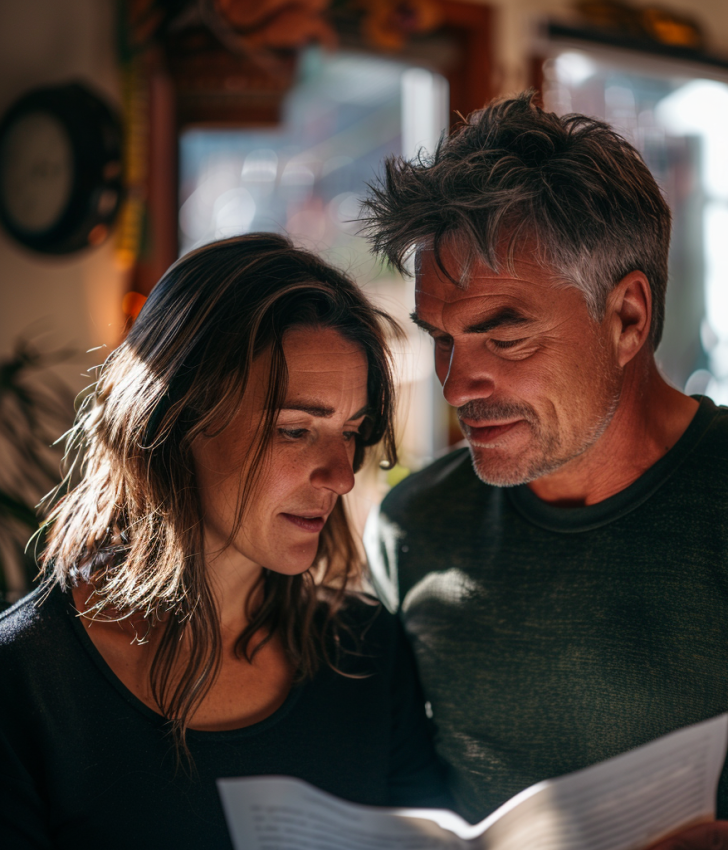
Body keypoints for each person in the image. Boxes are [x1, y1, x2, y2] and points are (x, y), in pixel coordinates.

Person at [363, 92, 728, 849]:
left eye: (506, 339)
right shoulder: (410, 529)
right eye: (443, 339)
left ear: (628, 318)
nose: (458, 386)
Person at [0, 233, 449, 849]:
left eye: (351, 431)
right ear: (173, 421)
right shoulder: (26, 682)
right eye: (295, 430)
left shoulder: (368, 656)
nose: (342, 476)